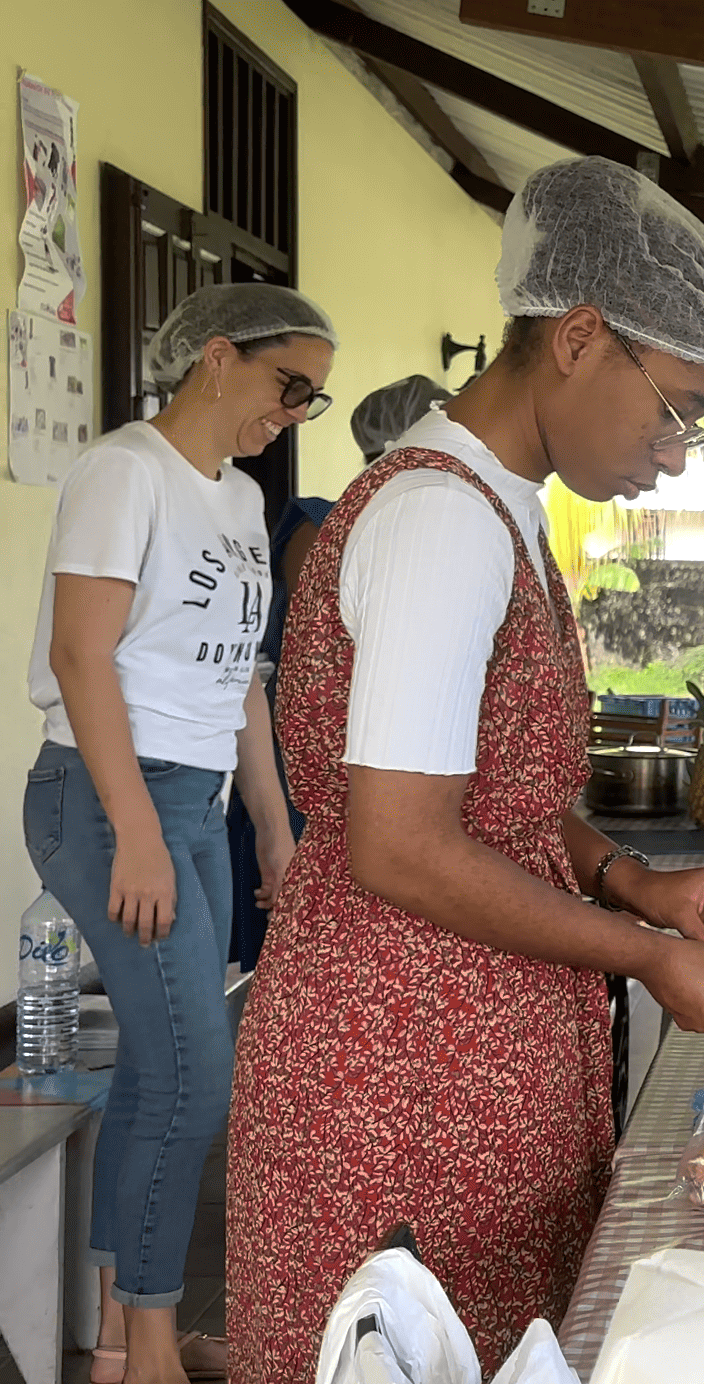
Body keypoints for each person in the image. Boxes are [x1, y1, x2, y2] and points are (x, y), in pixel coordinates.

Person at [227, 157, 704, 1384]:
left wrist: (632, 882)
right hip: (402, 1068)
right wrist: (646, 956)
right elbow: (401, 842)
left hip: (463, 1051)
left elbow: (499, 800)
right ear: (582, 338)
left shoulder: (503, 504)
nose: (680, 452)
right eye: (679, 408)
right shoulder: (438, 521)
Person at [26, 282, 328, 1384]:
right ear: (215, 355)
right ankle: (150, 1347)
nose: (295, 411)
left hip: (193, 802)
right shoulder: (124, 471)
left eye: (314, 398)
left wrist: (274, 828)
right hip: (107, 795)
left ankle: (118, 1342)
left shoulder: (241, 502)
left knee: (167, 1075)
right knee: (197, 1078)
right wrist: (136, 830)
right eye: (288, 384)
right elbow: (79, 657)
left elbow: (240, 679)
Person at [224, 372, 452, 973]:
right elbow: (348, 638)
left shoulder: (427, 543)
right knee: (284, 962)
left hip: (373, 790)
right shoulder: (317, 526)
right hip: (295, 787)